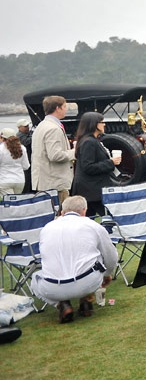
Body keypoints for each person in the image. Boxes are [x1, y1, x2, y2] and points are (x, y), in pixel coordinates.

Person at [30, 195, 118, 323]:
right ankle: (87, 300)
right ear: (84, 211)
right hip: (88, 282)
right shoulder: (93, 225)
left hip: (52, 287)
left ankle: (62, 305)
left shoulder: (46, 228)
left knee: (34, 279)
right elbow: (111, 256)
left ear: (62, 212)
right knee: (97, 255)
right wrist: (107, 274)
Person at [71, 111, 122, 217]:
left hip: (91, 190)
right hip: (91, 190)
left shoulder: (91, 140)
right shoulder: (89, 142)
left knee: (88, 219)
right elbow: (88, 167)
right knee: (110, 218)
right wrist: (110, 162)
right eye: (102, 122)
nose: (104, 124)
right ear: (94, 124)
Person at [31, 95, 75, 204]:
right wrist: (75, 152)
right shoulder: (53, 129)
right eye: (65, 106)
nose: (66, 109)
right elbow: (55, 155)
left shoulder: (41, 126)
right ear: (57, 108)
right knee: (59, 215)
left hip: (45, 180)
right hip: (55, 183)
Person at [0, 127, 30, 195]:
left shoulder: (1, 149)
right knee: (17, 202)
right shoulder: (22, 148)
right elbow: (26, 166)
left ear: (2, 138)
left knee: (9, 203)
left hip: (4, 180)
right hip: (20, 181)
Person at [16, 117, 33, 192]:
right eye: (25, 126)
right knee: (27, 179)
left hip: (31, 160)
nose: (27, 127)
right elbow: (27, 142)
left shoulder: (29, 133)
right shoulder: (19, 136)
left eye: (28, 126)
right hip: (26, 161)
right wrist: (35, 135)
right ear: (19, 127)